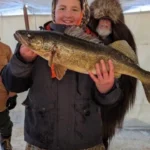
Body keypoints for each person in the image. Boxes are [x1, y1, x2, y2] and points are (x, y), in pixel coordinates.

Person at [1, 0, 123, 149]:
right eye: (62, 8)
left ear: (82, 12)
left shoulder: (97, 45)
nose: (68, 15)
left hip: (87, 142)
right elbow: (12, 84)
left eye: (74, 9)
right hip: (41, 141)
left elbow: (112, 102)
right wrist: (23, 60)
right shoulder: (26, 49)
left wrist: (107, 89)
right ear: (54, 11)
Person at [88, 0, 137, 149]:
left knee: (103, 136)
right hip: (87, 100)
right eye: (101, 19)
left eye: (108, 20)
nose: (104, 23)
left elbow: (129, 77)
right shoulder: (85, 34)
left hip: (113, 99)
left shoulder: (124, 38)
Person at [0, 41, 18, 150]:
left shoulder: (5, 49)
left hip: (1, 99)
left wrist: (13, 93)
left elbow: (13, 73)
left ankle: (5, 142)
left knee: (4, 124)